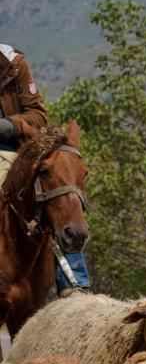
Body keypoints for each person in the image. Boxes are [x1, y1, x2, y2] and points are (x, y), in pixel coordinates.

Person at [0, 43, 90, 295]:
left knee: (56, 183)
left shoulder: (13, 63)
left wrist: (9, 126)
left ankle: (73, 282)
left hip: (15, 148)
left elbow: (37, 115)